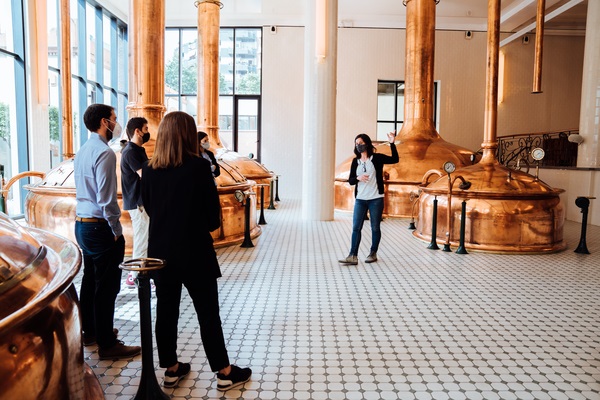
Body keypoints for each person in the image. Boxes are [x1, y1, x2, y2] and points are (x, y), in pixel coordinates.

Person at [141, 111, 252, 390]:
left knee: (166, 311)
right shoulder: (198, 167)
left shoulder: (150, 170)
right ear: (190, 134)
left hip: (161, 253)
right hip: (194, 251)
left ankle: (171, 368)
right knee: (207, 312)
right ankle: (224, 372)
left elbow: (150, 209)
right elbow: (213, 218)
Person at [74, 103, 141, 359]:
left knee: (91, 281)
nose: (116, 124)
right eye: (114, 119)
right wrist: (116, 228)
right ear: (104, 122)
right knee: (107, 287)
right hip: (100, 228)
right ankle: (107, 344)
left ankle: (90, 331)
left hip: (82, 224)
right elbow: (106, 198)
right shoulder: (105, 153)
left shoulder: (82, 151)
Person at [339, 131, 399, 265]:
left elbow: (395, 159)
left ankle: (373, 253)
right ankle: (352, 255)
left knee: (375, 227)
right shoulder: (356, 161)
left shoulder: (377, 158)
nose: (358, 145)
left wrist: (392, 143)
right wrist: (358, 178)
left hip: (376, 199)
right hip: (360, 199)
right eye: (356, 143)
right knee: (356, 227)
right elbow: (351, 181)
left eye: (360, 143)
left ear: (367, 143)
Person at [121, 117, 150, 288]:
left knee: (145, 238)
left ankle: (141, 272)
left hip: (142, 201)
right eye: (146, 128)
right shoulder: (130, 151)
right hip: (137, 203)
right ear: (137, 131)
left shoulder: (139, 149)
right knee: (141, 239)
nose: (148, 132)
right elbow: (144, 174)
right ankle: (135, 276)